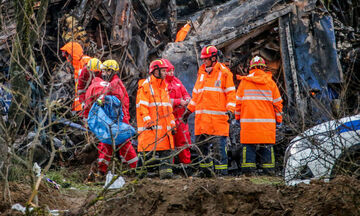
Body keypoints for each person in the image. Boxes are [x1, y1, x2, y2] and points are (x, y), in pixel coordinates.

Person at [182, 45, 236, 177]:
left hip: (217, 122)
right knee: (201, 150)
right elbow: (196, 96)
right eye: (203, 59)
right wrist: (188, 111)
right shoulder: (201, 74)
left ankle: (221, 174)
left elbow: (231, 94)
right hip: (202, 122)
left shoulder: (224, 73)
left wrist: (231, 110)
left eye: (206, 59)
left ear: (214, 58)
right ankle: (205, 173)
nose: (204, 62)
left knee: (219, 150)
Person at [84, 59, 137, 176]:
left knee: (124, 144)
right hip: (113, 120)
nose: (104, 73)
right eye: (103, 71)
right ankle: (102, 170)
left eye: (107, 71)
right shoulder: (112, 84)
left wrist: (103, 99)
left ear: (113, 71)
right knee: (106, 144)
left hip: (119, 120)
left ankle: (135, 168)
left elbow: (117, 103)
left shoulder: (115, 84)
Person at [235, 56, 283, 175]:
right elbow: (278, 105)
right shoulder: (271, 83)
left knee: (249, 146)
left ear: (250, 68)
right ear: (264, 68)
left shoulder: (244, 83)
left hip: (248, 124)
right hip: (267, 125)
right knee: (266, 146)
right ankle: (268, 171)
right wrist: (279, 120)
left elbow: (238, 104)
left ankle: (248, 171)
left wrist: (237, 119)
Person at [136, 59, 176, 179]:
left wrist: (172, 124)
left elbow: (169, 108)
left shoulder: (164, 87)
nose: (165, 73)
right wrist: (148, 121)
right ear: (155, 71)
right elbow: (142, 106)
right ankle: (140, 177)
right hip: (151, 129)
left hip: (165, 130)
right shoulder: (146, 86)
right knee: (146, 153)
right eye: (163, 71)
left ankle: (166, 175)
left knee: (166, 153)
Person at [163, 59, 192, 164]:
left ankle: (186, 164)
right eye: (169, 71)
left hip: (180, 119)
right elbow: (163, 101)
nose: (171, 73)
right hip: (168, 119)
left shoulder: (177, 81)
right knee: (170, 144)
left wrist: (187, 99)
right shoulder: (162, 84)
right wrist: (178, 101)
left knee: (183, 142)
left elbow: (185, 93)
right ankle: (170, 166)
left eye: (172, 71)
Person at [60, 41, 91, 112]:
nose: (66, 57)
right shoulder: (76, 66)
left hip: (87, 103)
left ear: (72, 53)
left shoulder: (86, 61)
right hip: (81, 106)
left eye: (67, 54)